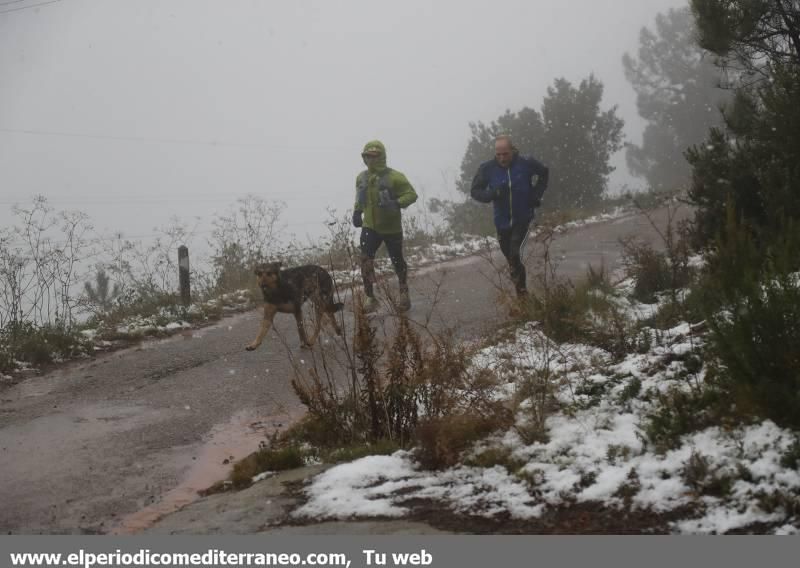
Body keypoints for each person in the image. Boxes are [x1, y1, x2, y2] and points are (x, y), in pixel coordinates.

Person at [470, 134, 549, 300]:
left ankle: (522, 296)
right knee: (512, 261)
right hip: (501, 222)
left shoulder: (526, 163)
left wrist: (535, 195)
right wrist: (492, 194)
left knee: (514, 254)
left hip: (523, 218)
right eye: (498, 154)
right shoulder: (487, 168)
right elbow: (475, 191)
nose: (502, 158)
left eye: (505, 154)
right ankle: (521, 291)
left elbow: (544, 173)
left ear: (512, 150)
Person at [352, 140, 418, 313]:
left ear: (381, 156)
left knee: (397, 261)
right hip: (370, 226)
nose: (370, 160)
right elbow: (359, 198)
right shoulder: (361, 177)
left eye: (374, 156)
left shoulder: (395, 176)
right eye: (367, 157)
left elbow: (412, 194)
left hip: (391, 227)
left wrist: (397, 203)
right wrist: (357, 212)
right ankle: (370, 297)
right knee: (365, 260)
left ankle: (404, 293)